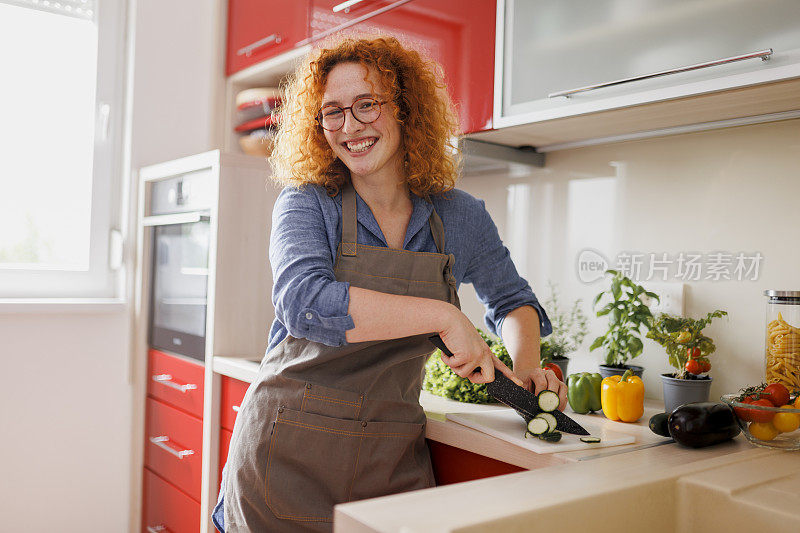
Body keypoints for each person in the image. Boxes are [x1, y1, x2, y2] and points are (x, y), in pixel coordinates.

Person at [213, 35, 563, 532]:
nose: (350, 126)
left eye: (367, 105)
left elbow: (512, 301)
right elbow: (303, 302)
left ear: (406, 110)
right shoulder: (309, 202)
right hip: (286, 454)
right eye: (332, 111)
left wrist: (525, 368)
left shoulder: (459, 216)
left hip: (390, 456)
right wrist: (442, 315)